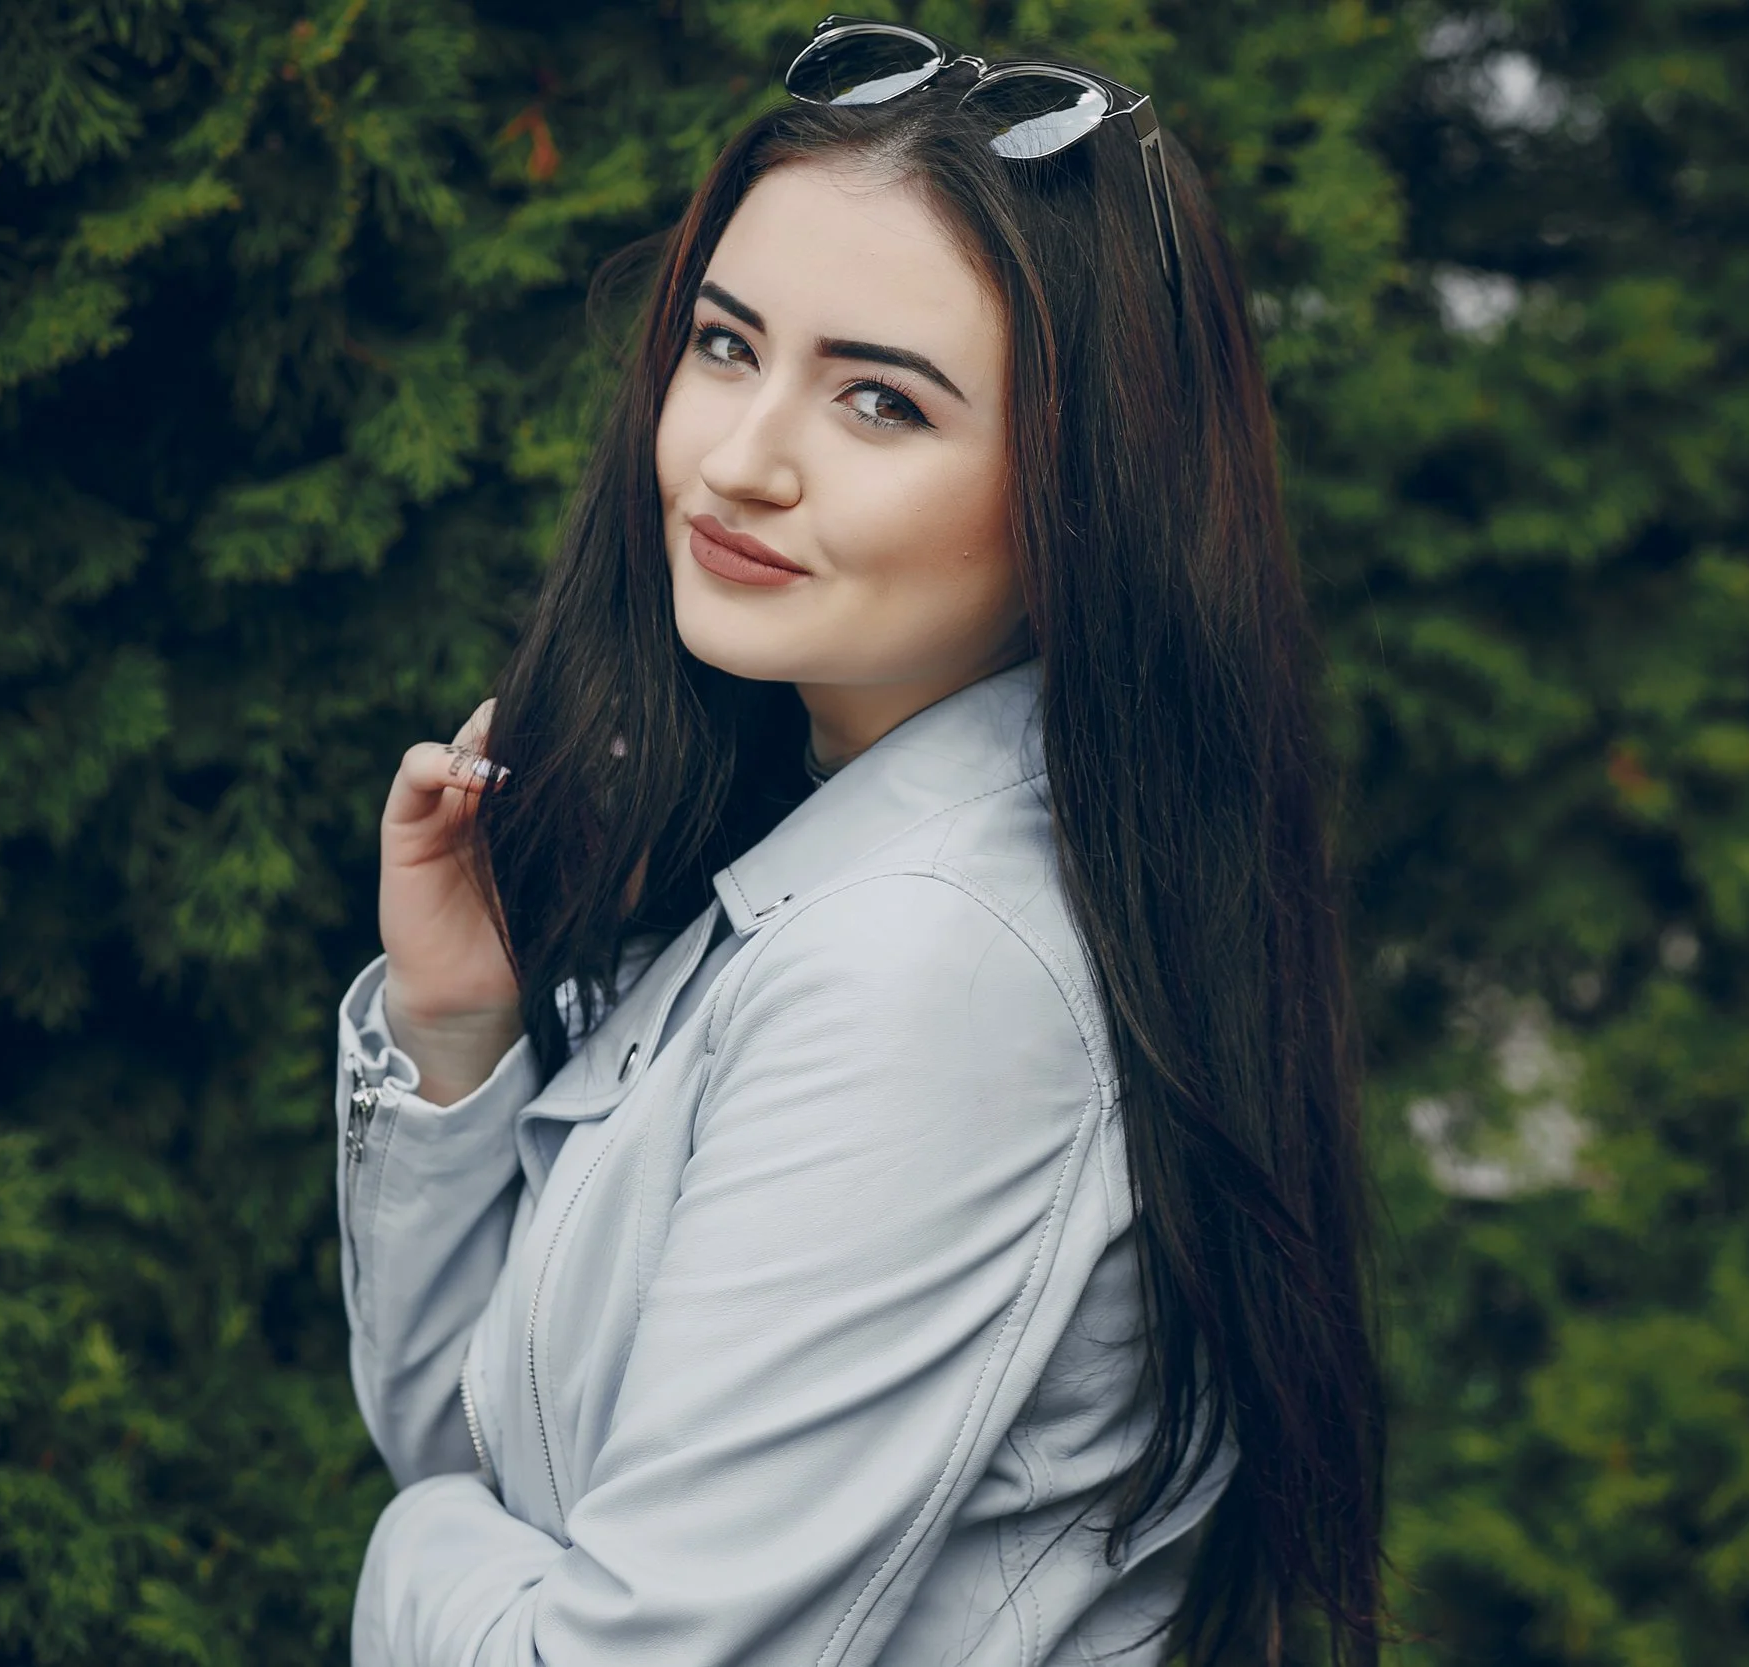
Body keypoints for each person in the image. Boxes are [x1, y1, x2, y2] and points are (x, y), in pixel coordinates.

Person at [334, 17, 1383, 1664]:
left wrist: (404, 1562)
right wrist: (460, 1032)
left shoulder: (926, 973)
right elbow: (495, 1446)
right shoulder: (804, 867)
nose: (740, 463)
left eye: (881, 401)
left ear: (1080, 496)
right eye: (729, 347)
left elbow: (560, 1607)